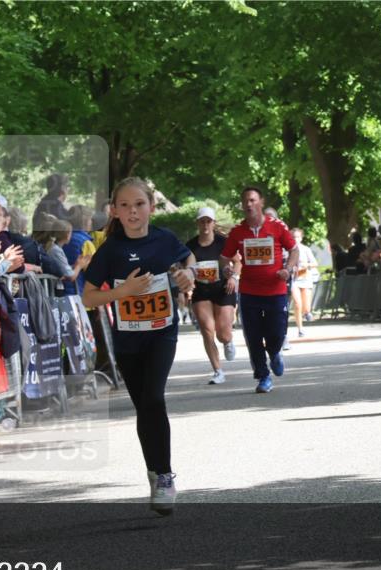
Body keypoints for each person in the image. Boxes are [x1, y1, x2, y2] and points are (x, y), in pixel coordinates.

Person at [80, 177, 195, 515]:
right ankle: (155, 470)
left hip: (162, 332)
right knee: (144, 406)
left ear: (151, 207)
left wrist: (188, 274)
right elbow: (89, 295)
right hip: (128, 340)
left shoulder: (164, 240)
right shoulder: (111, 249)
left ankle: (164, 476)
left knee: (154, 398)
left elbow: (188, 259)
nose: (133, 212)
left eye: (139, 204)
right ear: (114, 210)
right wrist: (122, 293)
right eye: (125, 206)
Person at [220, 187, 298, 394]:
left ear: (261, 202)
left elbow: (294, 249)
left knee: (276, 333)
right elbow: (225, 256)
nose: (249, 204)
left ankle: (274, 353)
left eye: (253, 200)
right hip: (249, 292)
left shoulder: (277, 226)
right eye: (245, 201)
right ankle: (263, 376)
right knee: (253, 337)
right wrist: (226, 269)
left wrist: (287, 269)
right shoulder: (237, 231)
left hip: (275, 290)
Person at [186, 207, 239, 384]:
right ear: (197, 223)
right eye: (202, 221)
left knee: (222, 334)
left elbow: (238, 261)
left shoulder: (223, 242)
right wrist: (186, 287)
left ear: (213, 223)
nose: (205, 224)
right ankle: (218, 371)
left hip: (224, 289)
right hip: (201, 291)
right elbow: (185, 268)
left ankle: (228, 340)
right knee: (207, 330)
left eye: (208, 221)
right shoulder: (191, 246)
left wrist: (234, 278)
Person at [33, 214, 88, 288]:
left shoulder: (52, 248)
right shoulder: (55, 250)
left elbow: (62, 268)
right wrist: (79, 266)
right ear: (67, 234)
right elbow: (70, 276)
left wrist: (74, 266)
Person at [60, 204, 96, 296]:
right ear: (86, 221)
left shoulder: (60, 239)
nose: (91, 222)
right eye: (90, 219)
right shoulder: (85, 243)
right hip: (81, 294)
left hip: (59, 293)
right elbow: (94, 272)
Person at [290, 227, 319, 338]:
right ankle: (300, 328)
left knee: (306, 307)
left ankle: (307, 312)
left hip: (305, 278)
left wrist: (306, 265)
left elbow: (315, 263)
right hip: (294, 280)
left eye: (297, 237)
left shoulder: (306, 249)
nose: (295, 239)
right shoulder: (288, 250)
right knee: (297, 304)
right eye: (293, 237)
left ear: (301, 238)